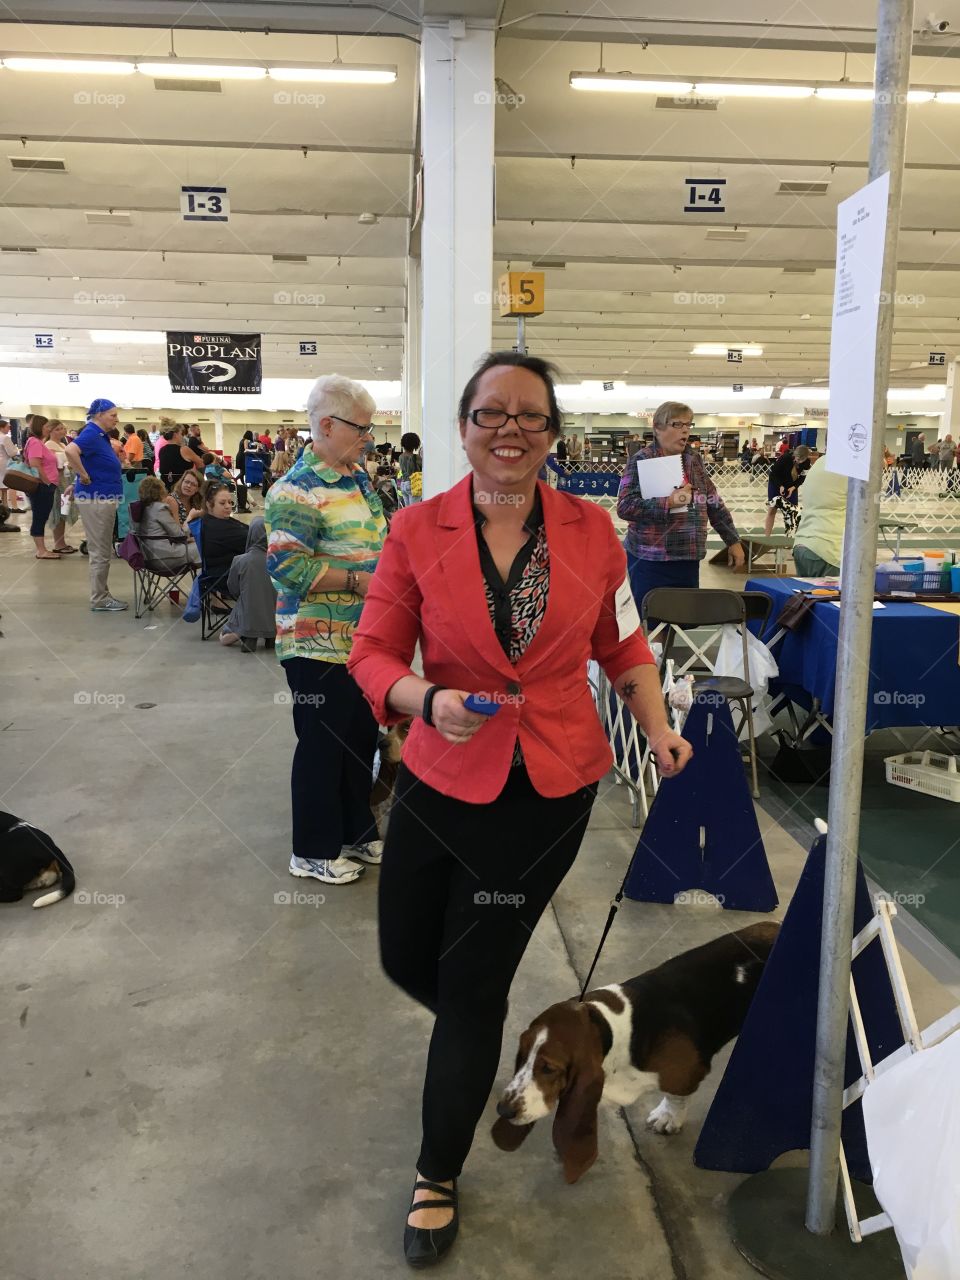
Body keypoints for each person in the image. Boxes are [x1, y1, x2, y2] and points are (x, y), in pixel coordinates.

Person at [347, 351, 691, 1268]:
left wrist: (657, 731)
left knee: (470, 986)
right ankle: (481, 1034)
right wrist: (425, 700)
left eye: (531, 416)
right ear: (462, 426)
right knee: (404, 952)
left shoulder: (593, 534)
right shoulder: (417, 530)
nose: (511, 427)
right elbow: (373, 651)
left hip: (547, 788)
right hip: (438, 773)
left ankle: (436, 1171)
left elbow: (624, 648)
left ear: (552, 433)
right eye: (491, 412)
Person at [264, 373, 387, 888]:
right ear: (329, 425)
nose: (369, 438)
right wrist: (361, 581)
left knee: (360, 738)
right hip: (315, 642)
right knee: (321, 743)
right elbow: (287, 568)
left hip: (362, 641)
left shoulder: (357, 478)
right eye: (363, 428)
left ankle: (354, 829)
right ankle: (311, 850)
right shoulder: (295, 490)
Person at [617, 400, 745, 609]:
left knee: (678, 620)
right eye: (677, 424)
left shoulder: (693, 460)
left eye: (688, 424)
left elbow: (713, 502)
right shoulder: (641, 460)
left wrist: (733, 540)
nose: (685, 430)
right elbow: (625, 505)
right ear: (658, 428)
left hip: (688, 556)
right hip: (652, 559)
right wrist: (668, 503)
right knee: (653, 622)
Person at [64, 398, 127, 611]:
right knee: (100, 550)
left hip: (100, 497)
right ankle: (99, 598)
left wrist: (77, 481)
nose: (117, 419)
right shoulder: (91, 432)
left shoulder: (99, 435)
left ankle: (102, 594)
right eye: (113, 415)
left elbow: (89, 459)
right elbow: (70, 451)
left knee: (101, 548)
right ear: (99, 414)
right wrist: (83, 476)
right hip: (97, 498)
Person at [219, 517, 277, 652]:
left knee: (243, 604)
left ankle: (246, 637)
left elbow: (233, 588)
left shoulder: (240, 561)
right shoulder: (277, 561)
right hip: (274, 618)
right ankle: (270, 639)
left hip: (248, 618)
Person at [792, 456, 848, 577]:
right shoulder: (850, 465)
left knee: (807, 596)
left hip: (803, 544)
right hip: (828, 551)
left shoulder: (821, 461)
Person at [136, 475, 201, 572]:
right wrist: (190, 517)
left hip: (148, 558)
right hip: (165, 558)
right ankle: (210, 583)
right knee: (207, 546)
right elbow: (180, 536)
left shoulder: (145, 508)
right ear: (159, 491)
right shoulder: (160, 508)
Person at [22, 415, 61, 560]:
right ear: (39, 427)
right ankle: (41, 550)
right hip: (42, 487)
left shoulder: (37, 442)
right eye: (46, 427)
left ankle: (42, 548)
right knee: (40, 517)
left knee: (41, 516)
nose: (48, 429)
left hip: (45, 486)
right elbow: (35, 464)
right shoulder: (35, 443)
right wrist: (47, 482)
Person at [199, 483, 249, 577]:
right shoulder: (216, 527)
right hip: (226, 576)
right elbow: (252, 538)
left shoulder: (221, 520)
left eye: (230, 502)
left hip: (234, 570)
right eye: (222, 503)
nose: (228, 506)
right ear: (209, 505)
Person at [43, 420, 78, 554]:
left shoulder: (63, 444)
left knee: (64, 511)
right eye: (57, 429)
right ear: (50, 431)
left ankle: (61, 542)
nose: (61, 431)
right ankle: (58, 544)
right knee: (58, 511)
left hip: (66, 480)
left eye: (63, 428)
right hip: (58, 482)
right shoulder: (49, 444)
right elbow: (52, 464)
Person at [764, 444, 810, 537]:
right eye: (797, 458)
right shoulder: (785, 458)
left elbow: (802, 477)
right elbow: (773, 474)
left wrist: (793, 487)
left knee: (792, 512)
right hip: (776, 484)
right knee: (772, 510)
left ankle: (789, 537)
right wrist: (780, 486)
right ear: (795, 454)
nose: (799, 461)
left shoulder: (806, 463)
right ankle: (767, 537)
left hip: (791, 486)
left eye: (802, 460)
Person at [0, 418, 21, 509]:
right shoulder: (5, 437)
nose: (9, 429)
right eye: (8, 427)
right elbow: (11, 453)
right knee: (4, 486)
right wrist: (17, 450)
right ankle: (5, 507)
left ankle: (4, 506)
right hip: (3, 463)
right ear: (2, 427)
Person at [398, 431, 422, 504]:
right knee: (414, 510)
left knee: (408, 510)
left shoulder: (401, 456)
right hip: (413, 484)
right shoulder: (416, 457)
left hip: (403, 484)